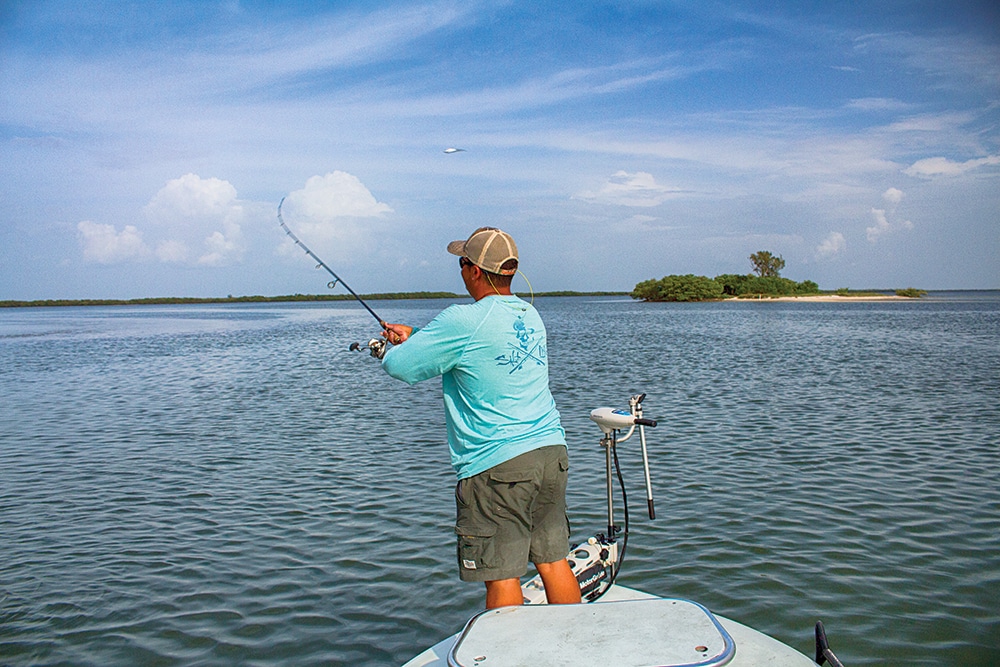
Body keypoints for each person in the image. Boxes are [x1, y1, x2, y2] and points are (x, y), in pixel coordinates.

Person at [379, 227, 582, 609]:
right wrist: (421, 335)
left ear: (474, 271)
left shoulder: (462, 318)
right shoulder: (529, 314)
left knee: (501, 573)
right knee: (554, 562)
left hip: (498, 467)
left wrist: (391, 350)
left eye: (462, 263)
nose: (461, 270)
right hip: (550, 454)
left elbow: (402, 367)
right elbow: (483, 350)